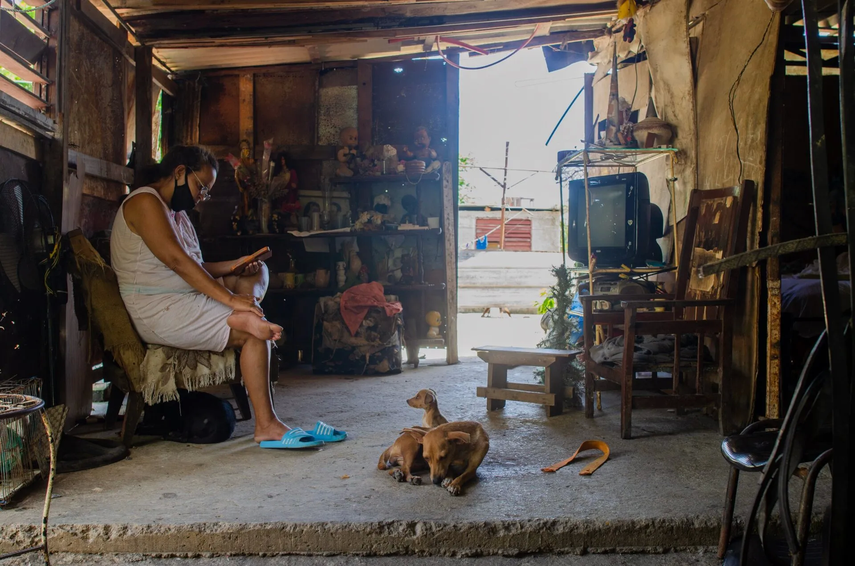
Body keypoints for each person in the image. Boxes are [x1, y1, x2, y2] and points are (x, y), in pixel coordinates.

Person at [111, 145, 297, 445]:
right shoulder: (145, 202)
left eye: (206, 192)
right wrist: (231, 299)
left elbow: (196, 267)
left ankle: (248, 312)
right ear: (180, 172)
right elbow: (177, 262)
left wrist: (237, 266)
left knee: (258, 270)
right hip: (158, 308)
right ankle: (267, 424)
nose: (201, 197)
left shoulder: (177, 213)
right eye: (201, 187)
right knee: (252, 333)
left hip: (184, 296)